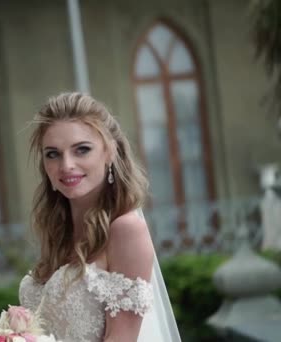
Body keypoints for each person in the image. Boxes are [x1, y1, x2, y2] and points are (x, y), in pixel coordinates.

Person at [19, 92, 181, 342]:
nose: (66, 165)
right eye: (53, 154)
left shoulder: (127, 230)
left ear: (110, 152)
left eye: (81, 150)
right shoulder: (59, 235)